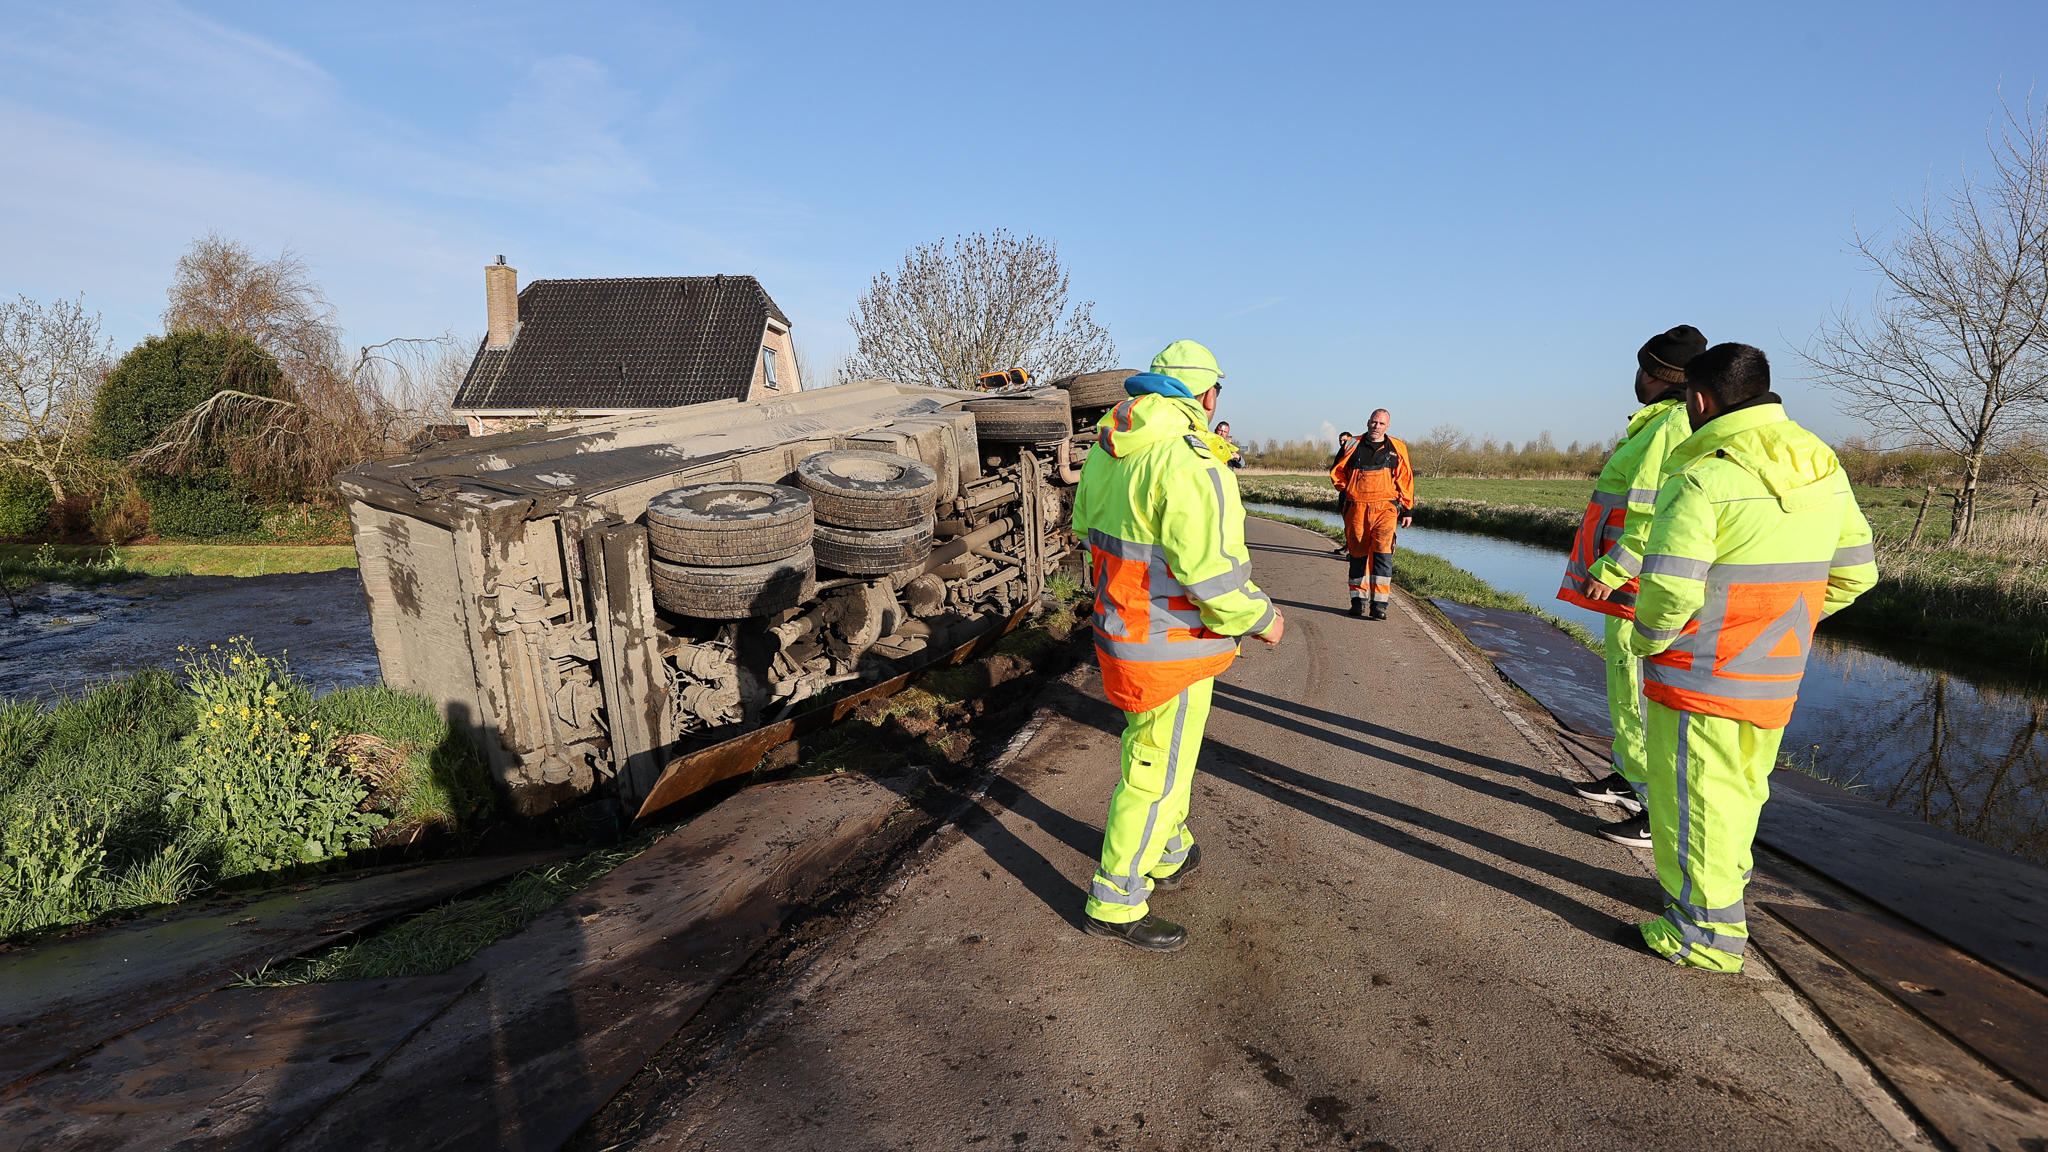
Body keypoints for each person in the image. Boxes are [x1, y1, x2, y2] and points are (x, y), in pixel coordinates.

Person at [1620, 343, 1876, 972]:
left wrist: (1647, 643)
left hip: (1700, 675)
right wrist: (1783, 624)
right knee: (1738, 798)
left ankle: (1703, 938)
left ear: (1700, 400)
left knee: (1692, 802)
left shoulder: (1707, 474)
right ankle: (1718, 906)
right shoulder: (1823, 462)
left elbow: (1672, 589)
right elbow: (1855, 573)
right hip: (1775, 671)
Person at [1072, 340, 1284, 952]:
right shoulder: (1190, 462)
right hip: (1175, 644)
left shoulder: (1110, 448)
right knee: (1155, 771)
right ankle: (1116, 900)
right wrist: (1262, 618)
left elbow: (1089, 531)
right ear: (1205, 395)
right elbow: (1213, 574)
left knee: (1160, 751)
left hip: (1125, 634)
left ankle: (1168, 848)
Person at [1556, 325, 1706, 848]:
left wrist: (1613, 568)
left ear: (1660, 377)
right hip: (1626, 585)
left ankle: (1650, 805)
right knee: (1624, 680)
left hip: (1635, 583)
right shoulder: (1653, 424)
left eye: (1643, 369)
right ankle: (1629, 775)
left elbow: (1651, 514)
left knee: (1639, 687)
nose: (1635, 378)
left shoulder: (1668, 427)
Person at [1328, 409, 1412, 619]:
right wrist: (1347, 489)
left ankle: (1379, 606)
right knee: (1357, 554)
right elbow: (1336, 471)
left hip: (1386, 508)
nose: (1377, 427)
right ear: (1368, 422)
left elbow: (1405, 478)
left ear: (1387, 426)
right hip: (1357, 508)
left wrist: (1408, 508)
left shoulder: (1397, 448)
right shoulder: (1351, 445)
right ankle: (1357, 602)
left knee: (1383, 555)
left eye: (1381, 424)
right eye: (1374, 422)